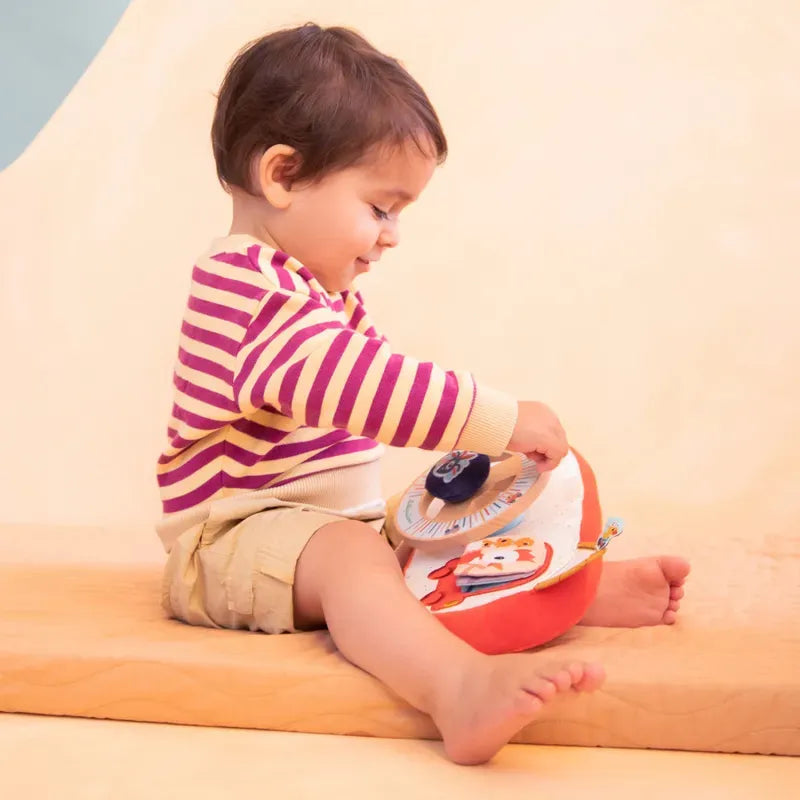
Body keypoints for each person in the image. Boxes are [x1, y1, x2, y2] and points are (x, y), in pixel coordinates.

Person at [156, 23, 689, 764]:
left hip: (317, 528)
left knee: (433, 526)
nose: (393, 236)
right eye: (381, 208)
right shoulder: (245, 287)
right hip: (230, 540)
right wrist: (494, 420)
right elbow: (367, 387)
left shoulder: (314, 292)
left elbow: (376, 383)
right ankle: (456, 688)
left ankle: (561, 587)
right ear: (281, 175)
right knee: (353, 557)